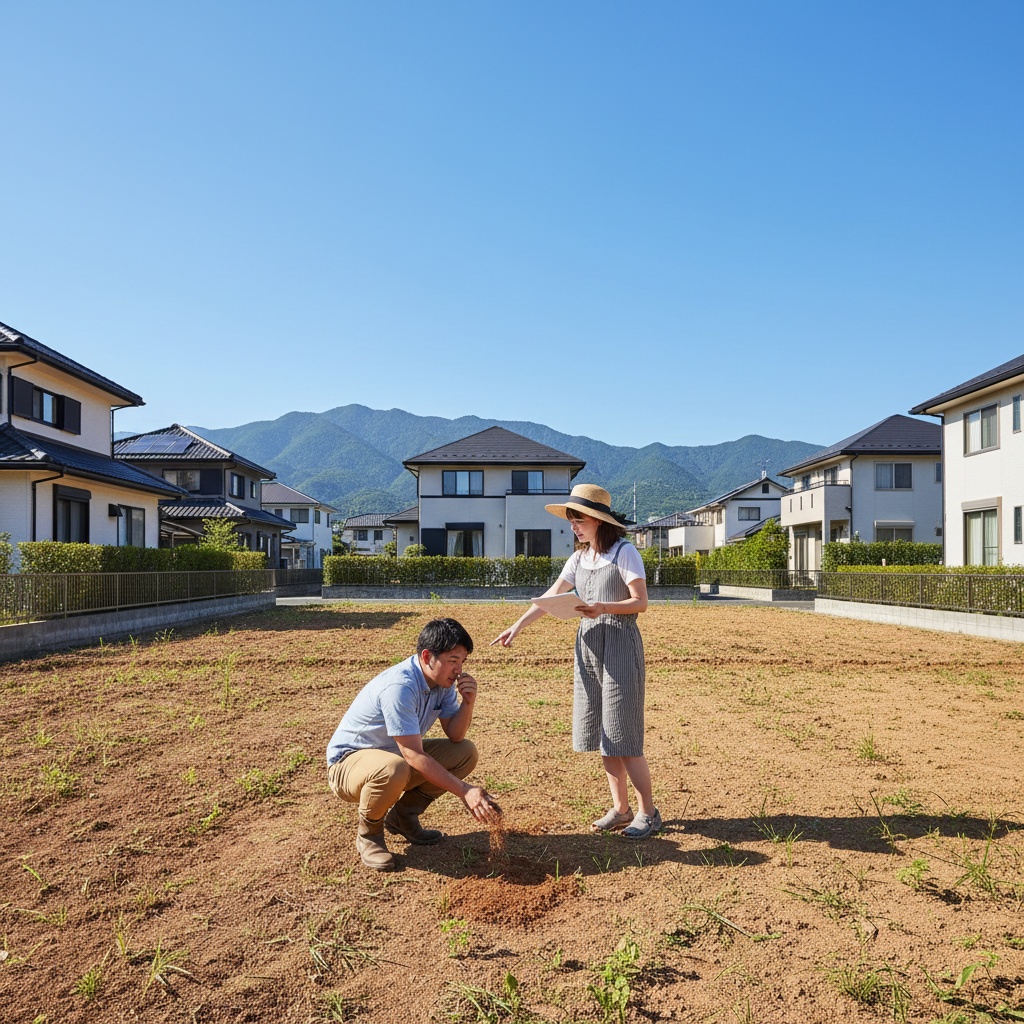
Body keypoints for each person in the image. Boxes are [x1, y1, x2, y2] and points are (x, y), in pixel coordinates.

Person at [491, 483, 661, 840]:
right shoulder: (579, 558)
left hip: (619, 645)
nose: (573, 526)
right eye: (570, 519)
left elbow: (640, 602)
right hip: (588, 648)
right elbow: (550, 596)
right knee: (603, 734)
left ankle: (648, 812)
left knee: (624, 736)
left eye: (578, 518)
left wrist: (603, 607)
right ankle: (621, 809)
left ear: (599, 520)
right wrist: (516, 626)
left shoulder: (625, 553)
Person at [326, 617, 502, 871]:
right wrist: (464, 790)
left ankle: (403, 817)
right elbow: (413, 755)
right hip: (349, 765)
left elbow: (455, 736)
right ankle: (369, 835)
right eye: (453, 661)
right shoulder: (401, 686)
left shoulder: (441, 683)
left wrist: (468, 703)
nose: (459, 670)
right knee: (394, 767)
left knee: (464, 753)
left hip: (395, 758)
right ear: (428, 656)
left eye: (462, 662)